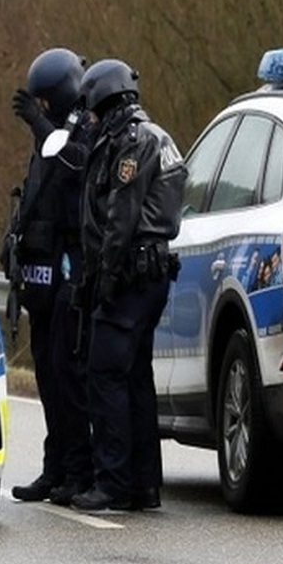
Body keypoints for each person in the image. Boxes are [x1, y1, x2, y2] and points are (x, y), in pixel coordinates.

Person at [71, 59, 186, 512]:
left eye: (93, 107)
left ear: (105, 98)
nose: (90, 117)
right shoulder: (154, 136)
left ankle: (114, 482)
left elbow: (122, 217)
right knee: (136, 377)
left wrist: (104, 279)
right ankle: (143, 483)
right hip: (147, 276)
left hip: (131, 276)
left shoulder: (133, 142)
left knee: (106, 376)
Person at [4, 47, 95, 504]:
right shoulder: (45, 140)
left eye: (43, 104)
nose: (37, 112)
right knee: (47, 374)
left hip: (69, 269)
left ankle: (79, 470)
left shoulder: (83, 127)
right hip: (41, 273)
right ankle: (54, 466)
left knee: (66, 374)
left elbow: (77, 168)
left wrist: (44, 129)